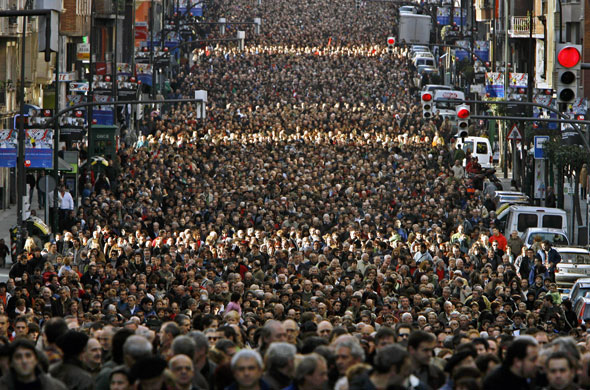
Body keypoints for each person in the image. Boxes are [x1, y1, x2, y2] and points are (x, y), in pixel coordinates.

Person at [0, 338, 67, 389]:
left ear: (36, 359)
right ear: (11, 362)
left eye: (28, 356)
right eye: (18, 357)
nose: (24, 361)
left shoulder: (56, 387)